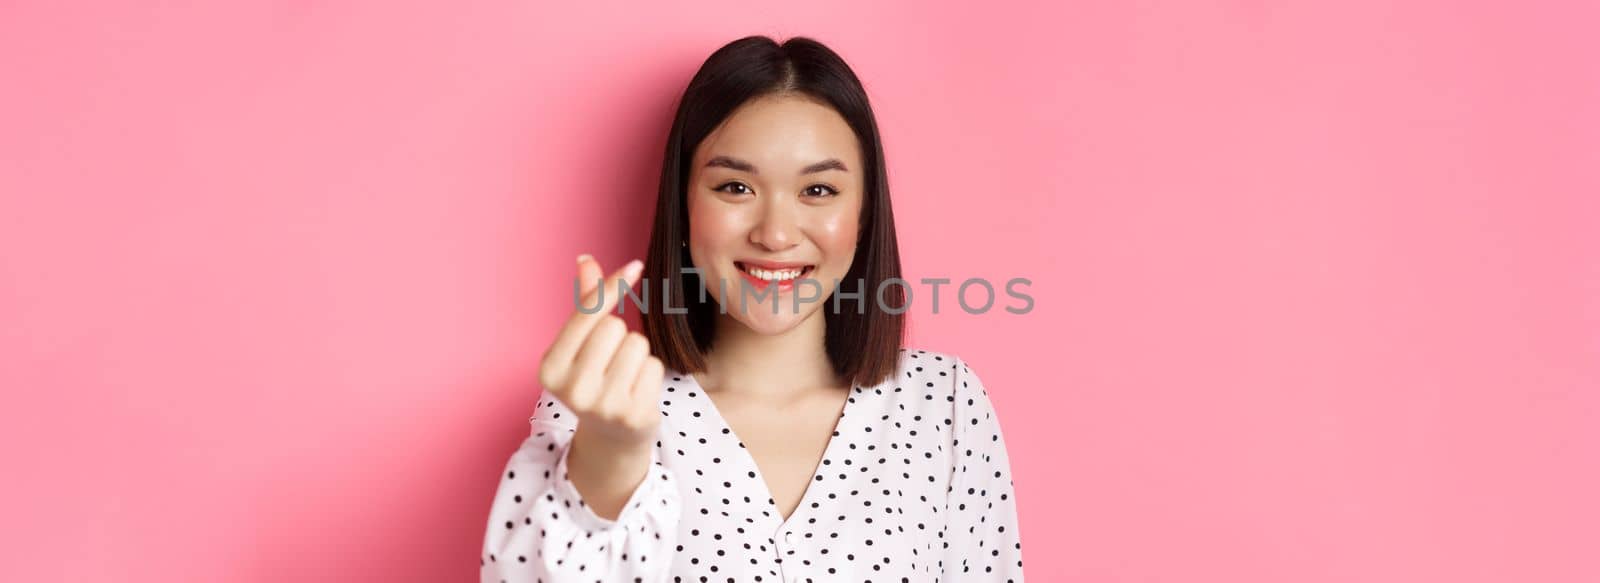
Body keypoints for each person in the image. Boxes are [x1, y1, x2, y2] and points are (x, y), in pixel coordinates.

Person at [479, 35, 1025, 582]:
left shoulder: (945, 403)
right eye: (736, 187)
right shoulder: (601, 407)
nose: (775, 234)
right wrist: (611, 460)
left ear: (863, 214)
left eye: (818, 191)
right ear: (684, 205)